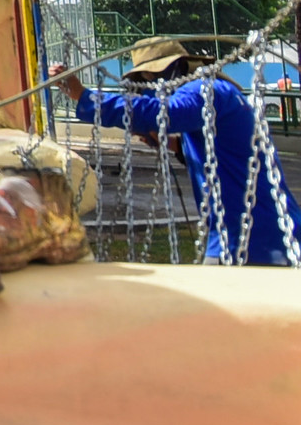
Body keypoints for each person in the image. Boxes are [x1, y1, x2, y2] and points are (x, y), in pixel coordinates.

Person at [55, 37, 300, 265]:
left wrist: (85, 97)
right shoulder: (218, 92)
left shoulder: (204, 90)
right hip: (247, 229)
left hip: (257, 235)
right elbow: (221, 153)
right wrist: (169, 144)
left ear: (167, 72)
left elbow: (164, 113)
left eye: (146, 79)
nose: (145, 90)